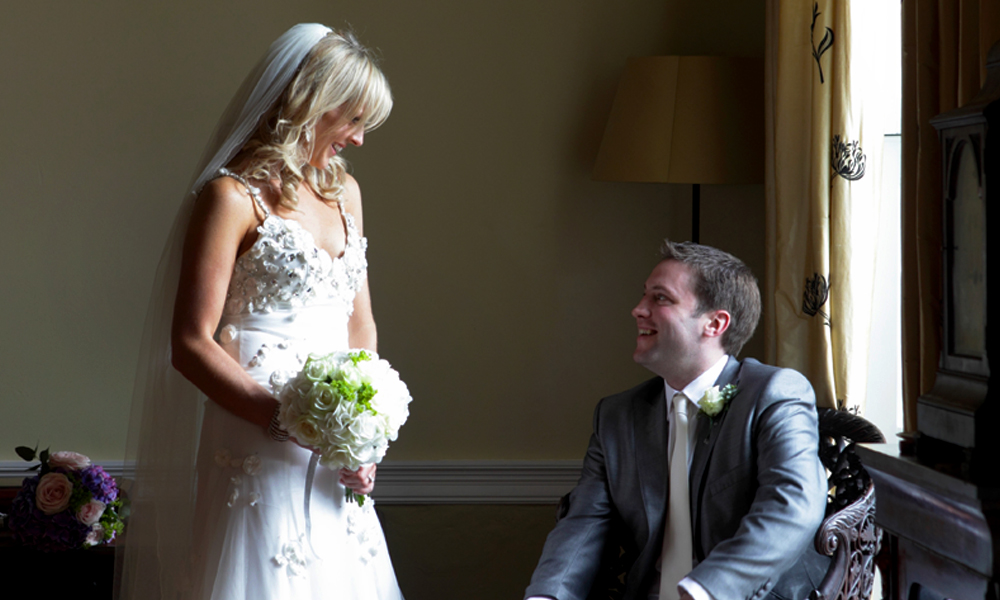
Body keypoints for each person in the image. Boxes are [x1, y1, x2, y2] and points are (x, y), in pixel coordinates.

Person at [117, 24, 403, 600]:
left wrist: (364, 436)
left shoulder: (346, 192)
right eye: (351, 120)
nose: (358, 139)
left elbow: (359, 322)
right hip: (252, 433)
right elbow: (191, 342)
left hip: (334, 444)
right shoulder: (229, 197)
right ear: (311, 104)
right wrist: (280, 418)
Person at [524, 240, 829, 600]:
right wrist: (546, 597)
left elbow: (793, 504)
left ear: (714, 323)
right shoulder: (618, 416)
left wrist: (704, 590)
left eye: (660, 298)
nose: (638, 310)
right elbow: (585, 525)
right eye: (643, 297)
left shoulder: (775, 392)